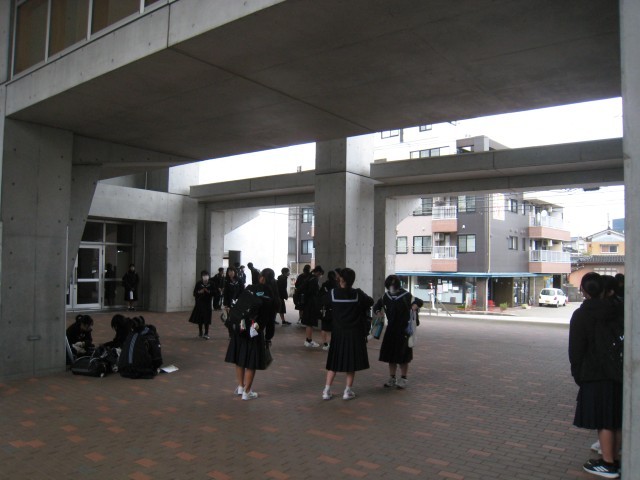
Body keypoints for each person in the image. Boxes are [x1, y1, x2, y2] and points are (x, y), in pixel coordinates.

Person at [569, 272, 623, 478]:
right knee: (615, 418)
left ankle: (608, 464)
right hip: (618, 372)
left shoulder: (582, 315)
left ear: (583, 291)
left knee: (604, 420)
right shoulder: (618, 310)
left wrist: (578, 374)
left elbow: (576, 350)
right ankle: (615, 458)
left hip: (595, 373)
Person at [224, 268, 276, 400]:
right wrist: (268, 337)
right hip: (255, 331)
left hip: (240, 328)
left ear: (261, 278)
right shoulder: (271, 295)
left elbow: (238, 304)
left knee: (240, 358)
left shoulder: (250, 288)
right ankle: (247, 392)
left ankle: (241, 387)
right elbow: (270, 320)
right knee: (251, 361)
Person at [322, 268, 373, 401]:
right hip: (354, 334)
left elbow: (322, 302)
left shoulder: (333, 293)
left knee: (334, 362)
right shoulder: (357, 294)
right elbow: (370, 301)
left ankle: (326, 390)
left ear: (340, 279)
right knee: (351, 362)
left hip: (338, 333)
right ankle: (347, 391)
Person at [373, 275, 423, 389]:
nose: (391, 288)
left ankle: (403, 378)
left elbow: (419, 301)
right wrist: (378, 312)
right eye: (389, 286)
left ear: (397, 285)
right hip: (391, 330)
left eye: (393, 285)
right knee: (391, 356)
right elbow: (376, 306)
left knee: (403, 356)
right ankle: (392, 378)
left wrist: (415, 305)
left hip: (403, 330)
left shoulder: (406, 295)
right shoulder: (386, 296)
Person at [302, 265, 324, 347]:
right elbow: (313, 292)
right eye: (320, 274)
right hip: (311, 304)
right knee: (310, 323)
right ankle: (309, 341)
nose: (320, 276)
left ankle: (308, 340)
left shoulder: (309, 277)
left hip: (308, 303)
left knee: (309, 323)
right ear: (318, 272)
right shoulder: (314, 279)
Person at [188, 270, 214, 339]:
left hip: (207, 303)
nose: (205, 277)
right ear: (201, 276)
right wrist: (199, 292)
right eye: (204, 275)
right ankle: (200, 332)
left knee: (207, 318)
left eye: (206, 275)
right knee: (200, 318)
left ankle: (206, 333)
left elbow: (215, 293)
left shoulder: (211, 283)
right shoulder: (199, 283)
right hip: (200, 303)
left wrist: (208, 291)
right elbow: (194, 293)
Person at [319, 270, 338, 350]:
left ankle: (325, 344)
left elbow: (320, 295)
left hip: (325, 308)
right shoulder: (337, 285)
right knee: (335, 328)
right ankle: (333, 343)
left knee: (324, 327)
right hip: (335, 308)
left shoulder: (324, 284)